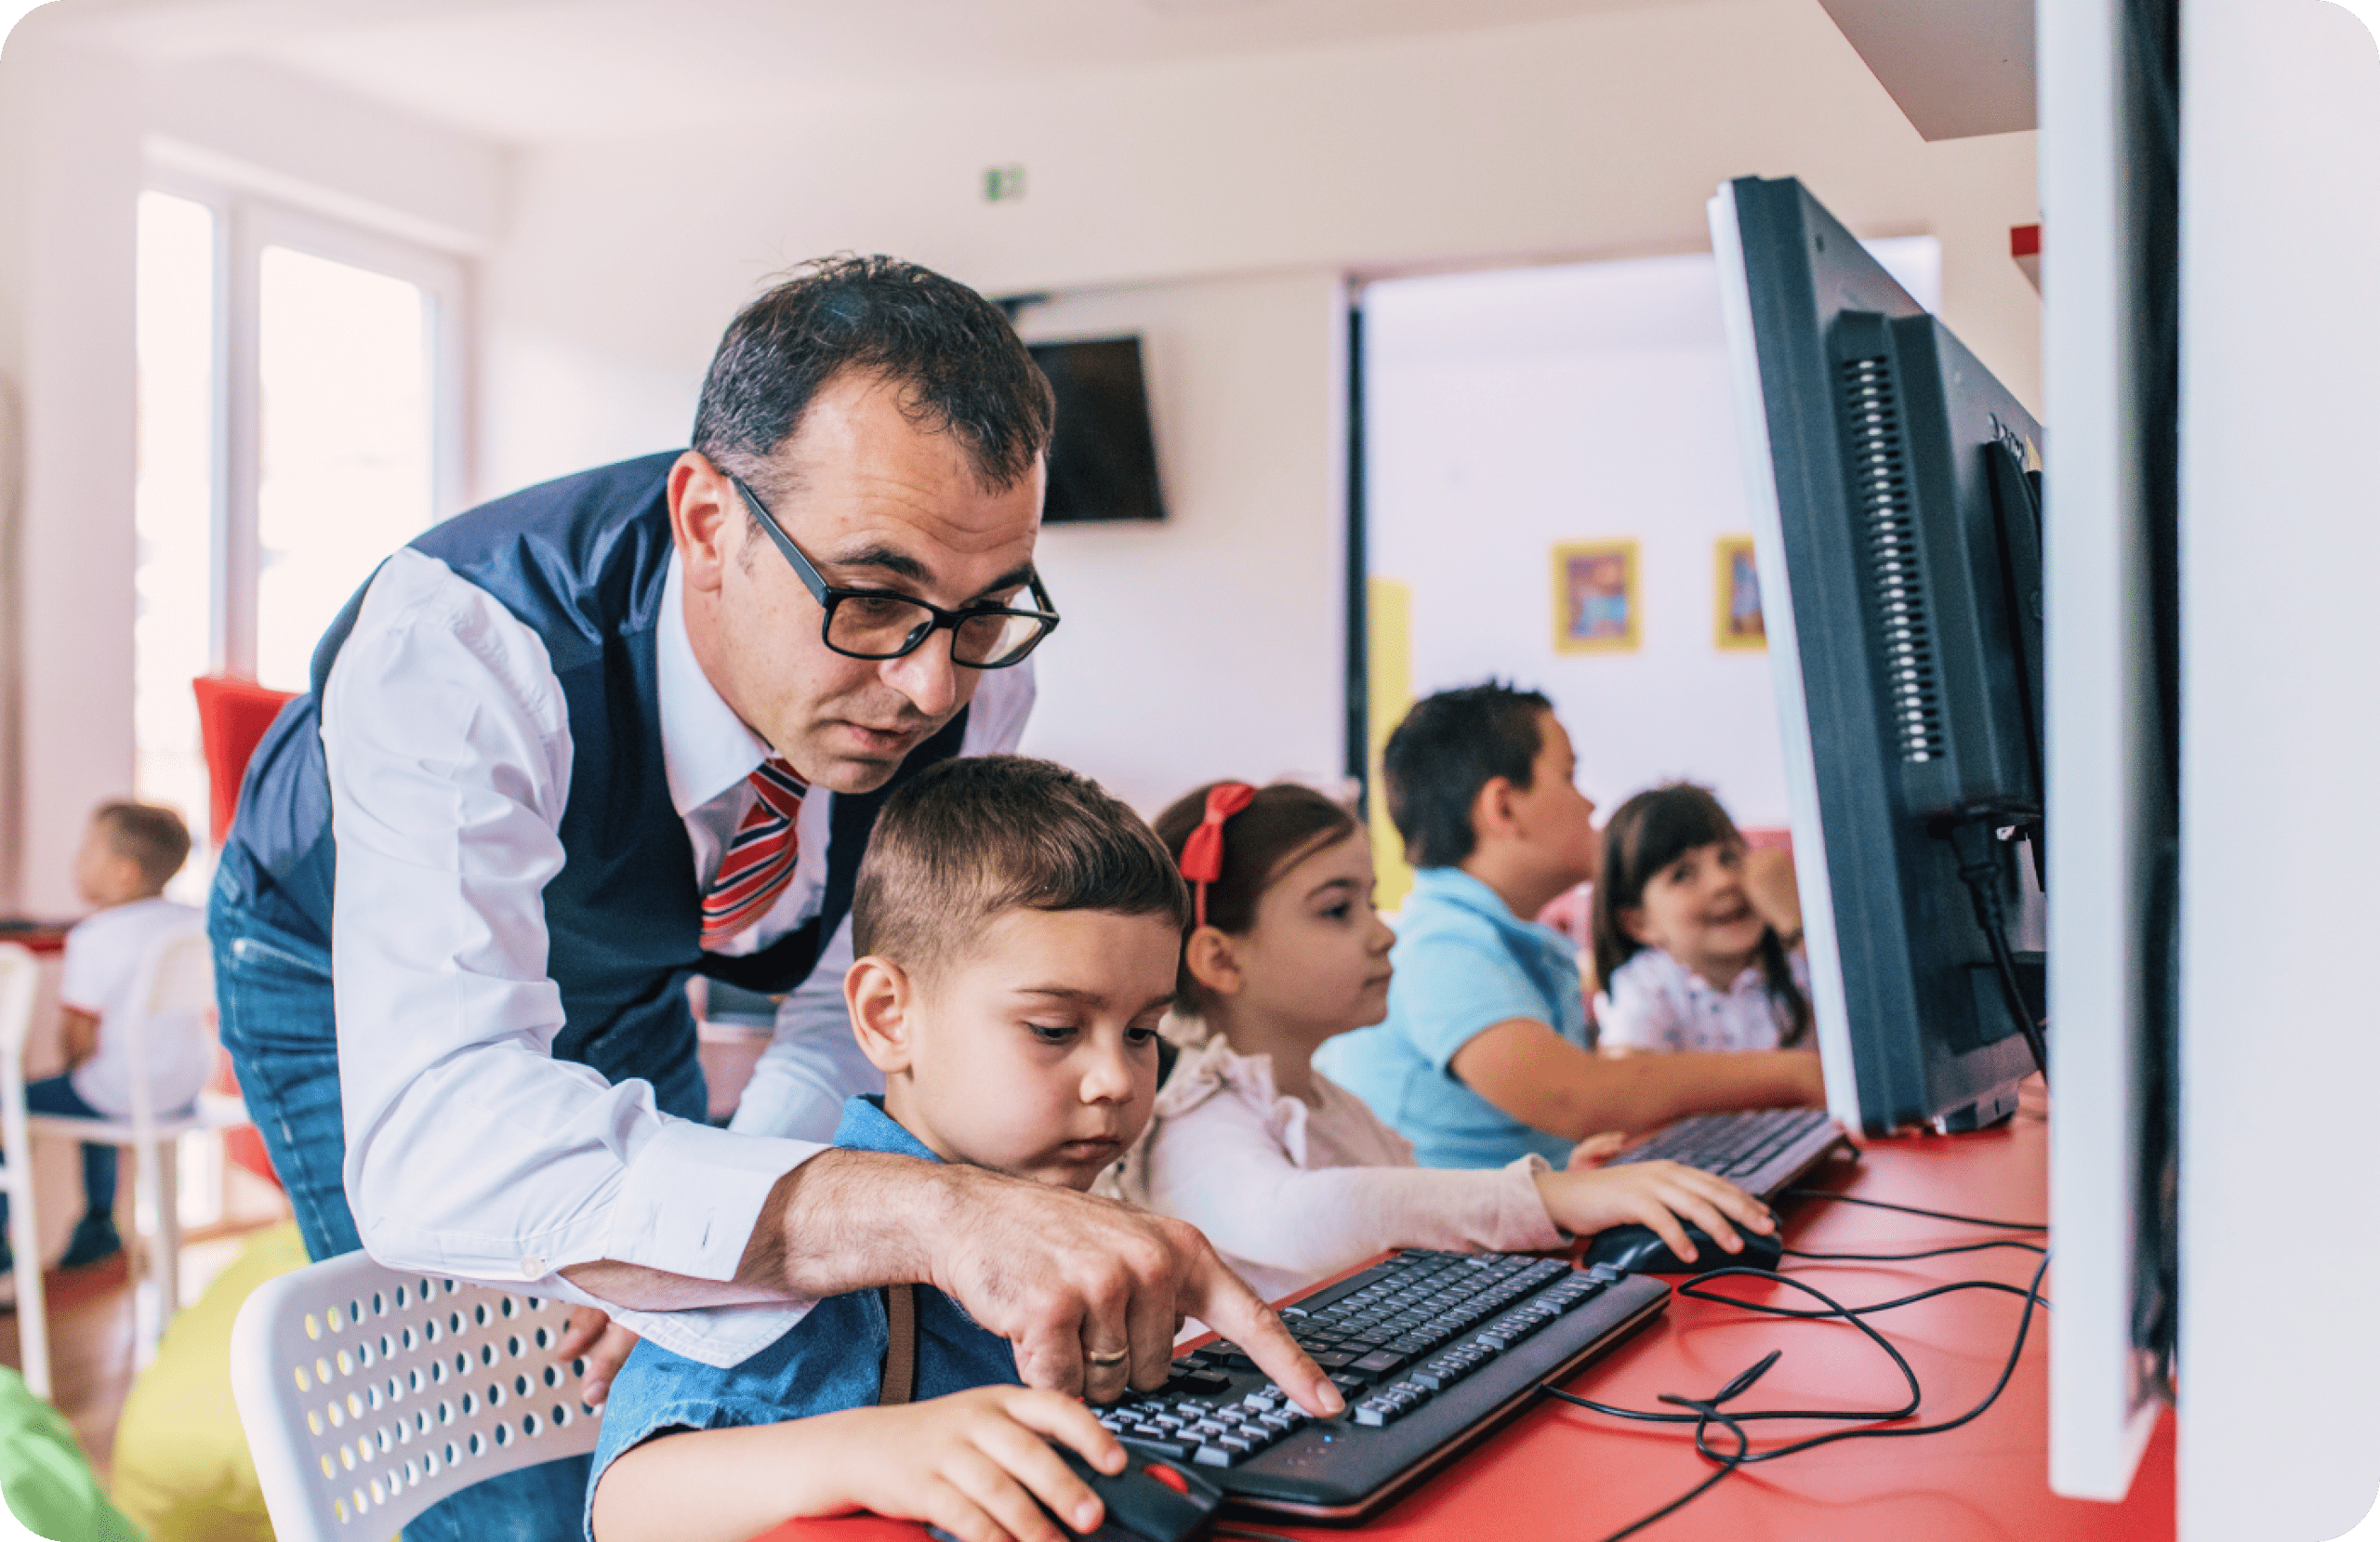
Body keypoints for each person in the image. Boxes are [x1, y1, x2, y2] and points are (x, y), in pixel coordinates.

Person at [208, 257, 1327, 1539]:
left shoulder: (965, 672)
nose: (927, 687)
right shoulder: (464, 646)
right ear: (706, 523)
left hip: (627, 960)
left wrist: (705, 1236)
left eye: (979, 611)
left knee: (708, 1350)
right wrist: (924, 1208)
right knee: (515, 1443)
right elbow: (443, 1141)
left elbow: (835, 1009)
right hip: (334, 958)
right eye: (873, 596)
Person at [588, 757, 1234, 1542]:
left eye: (1141, 1033)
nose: (1115, 1079)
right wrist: (867, 1450)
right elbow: (628, 1501)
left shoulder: (1079, 1213)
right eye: (1055, 1029)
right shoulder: (809, 1261)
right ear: (890, 1016)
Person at [1113, 781, 1774, 1304]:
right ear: (1222, 960)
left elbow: (1421, 1216)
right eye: (1338, 909)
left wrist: (1570, 1186)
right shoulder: (1192, 1119)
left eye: (1372, 902)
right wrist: (1551, 1201)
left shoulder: (1332, 1104)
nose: (1383, 934)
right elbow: (1299, 1219)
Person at [1315, 683, 1823, 1169]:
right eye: (1569, 776)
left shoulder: (1516, 943)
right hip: (1447, 1253)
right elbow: (1575, 1096)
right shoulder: (1440, 947)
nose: (1591, 803)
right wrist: (1798, 1075)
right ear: (1505, 807)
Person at [0, 803, 206, 1298]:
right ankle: (98, 1219)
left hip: (123, 1091)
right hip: (184, 1087)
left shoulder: (95, 936)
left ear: (124, 871)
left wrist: (71, 1067)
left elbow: (78, 1038)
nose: (76, 862)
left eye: (86, 851)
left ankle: (5, 1246)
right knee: (96, 1087)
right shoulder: (193, 919)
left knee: (25, 1097)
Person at [1590, 784, 1813, 1053]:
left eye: (1729, 858)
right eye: (1683, 874)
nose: (1725, 882)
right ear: (1639, 924)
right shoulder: (1650, 985)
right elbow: (1629, 1074)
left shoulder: (1797, 964)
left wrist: (1792, 920)